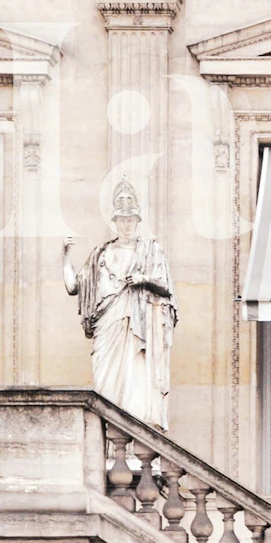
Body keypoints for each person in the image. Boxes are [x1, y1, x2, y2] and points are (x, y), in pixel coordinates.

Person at [63, 179, 178, 428]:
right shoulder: (100, 254)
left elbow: (165, 284)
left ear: (137, 221)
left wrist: (142, 279)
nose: (127, 225)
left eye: (131, 220)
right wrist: (65, 255)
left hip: (137, 321)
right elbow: (74, 287)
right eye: (122, 220)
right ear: (115, 222)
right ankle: (108, 438)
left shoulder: (150, 250)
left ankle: (135, 431)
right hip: (107, 323)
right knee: (104, 379)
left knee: (136, 374)